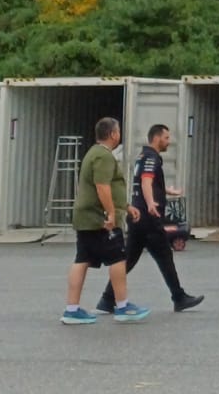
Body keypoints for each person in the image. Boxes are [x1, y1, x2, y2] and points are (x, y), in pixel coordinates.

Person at [97, 125, 204, 314]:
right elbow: (146, 181)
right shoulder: (151, 157)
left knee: (129, 259)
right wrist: (151, 203)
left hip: (138, 218)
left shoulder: (143, 156)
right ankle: (179, 298)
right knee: (164, 257)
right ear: (156, 138)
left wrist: (166, 190)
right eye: (166, 137)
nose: (169, 141)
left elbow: (146, 182)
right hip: (147, 218)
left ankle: (107, 299)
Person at [62, 118, 149, 325]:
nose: (119, 135)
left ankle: (71, 310)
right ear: (113, 134)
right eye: (118, 131)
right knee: (118, 258)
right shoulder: (104, 156)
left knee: (82, 259)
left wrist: (125, 206)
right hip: (99, 218)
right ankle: (123, 306)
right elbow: (102, 186)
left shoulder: (93, 153)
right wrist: (111, 213)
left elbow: (105, 188)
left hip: (86, 216)